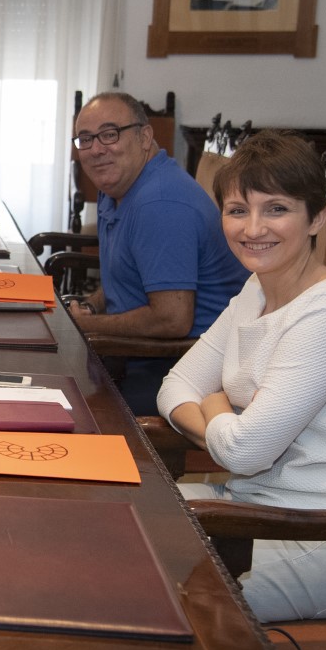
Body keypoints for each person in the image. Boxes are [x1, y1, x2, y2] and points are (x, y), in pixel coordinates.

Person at [158, 131, 326, 623]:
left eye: (276, 209)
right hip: (255, 506)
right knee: (119, 529)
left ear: (317, 217)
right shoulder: (257, 288)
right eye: (237, 210)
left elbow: (247, 453)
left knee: (158, 593)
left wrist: (215, 404)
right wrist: (220, 414)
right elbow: (174, 387)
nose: (253, 228)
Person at [65, 92, 246, 415]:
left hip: (180, 368)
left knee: (57, 403)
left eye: (110, 134)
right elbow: (131, 273)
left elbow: (172, 319)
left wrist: (86, 326)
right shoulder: (118, 187)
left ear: (145, 137)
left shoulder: (159, 204)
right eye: (85, 139)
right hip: (136, 352)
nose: (96, 149)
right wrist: (92, 306)